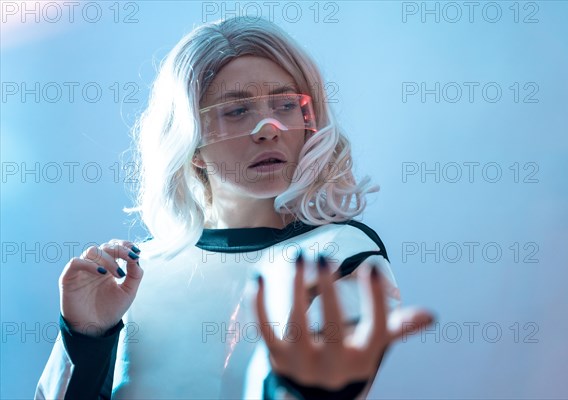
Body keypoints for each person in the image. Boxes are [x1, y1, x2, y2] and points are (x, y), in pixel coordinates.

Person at [34, 16, 435, 399]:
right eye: (237, 110)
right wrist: (85, 338)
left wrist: (302, 391)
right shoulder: (136, 274)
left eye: (285, 105)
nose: (269, 129)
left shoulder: (340, 254)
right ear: (191, 145)